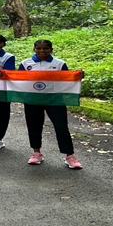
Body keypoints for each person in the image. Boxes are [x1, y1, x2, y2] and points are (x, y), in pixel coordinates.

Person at [18, 39, 84, 169]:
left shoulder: (59, 64)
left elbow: (66, 80)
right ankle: (36, 153)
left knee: (61, 126)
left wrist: (78, 76)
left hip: (55, 99)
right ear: (34, 49)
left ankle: (69, 156)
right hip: (33, 99)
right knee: (34, 125)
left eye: (45, 48)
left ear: (51, 50)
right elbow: (19, 79)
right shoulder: (26, 63)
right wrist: (4, 75)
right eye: (39, 48)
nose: (42, 51)